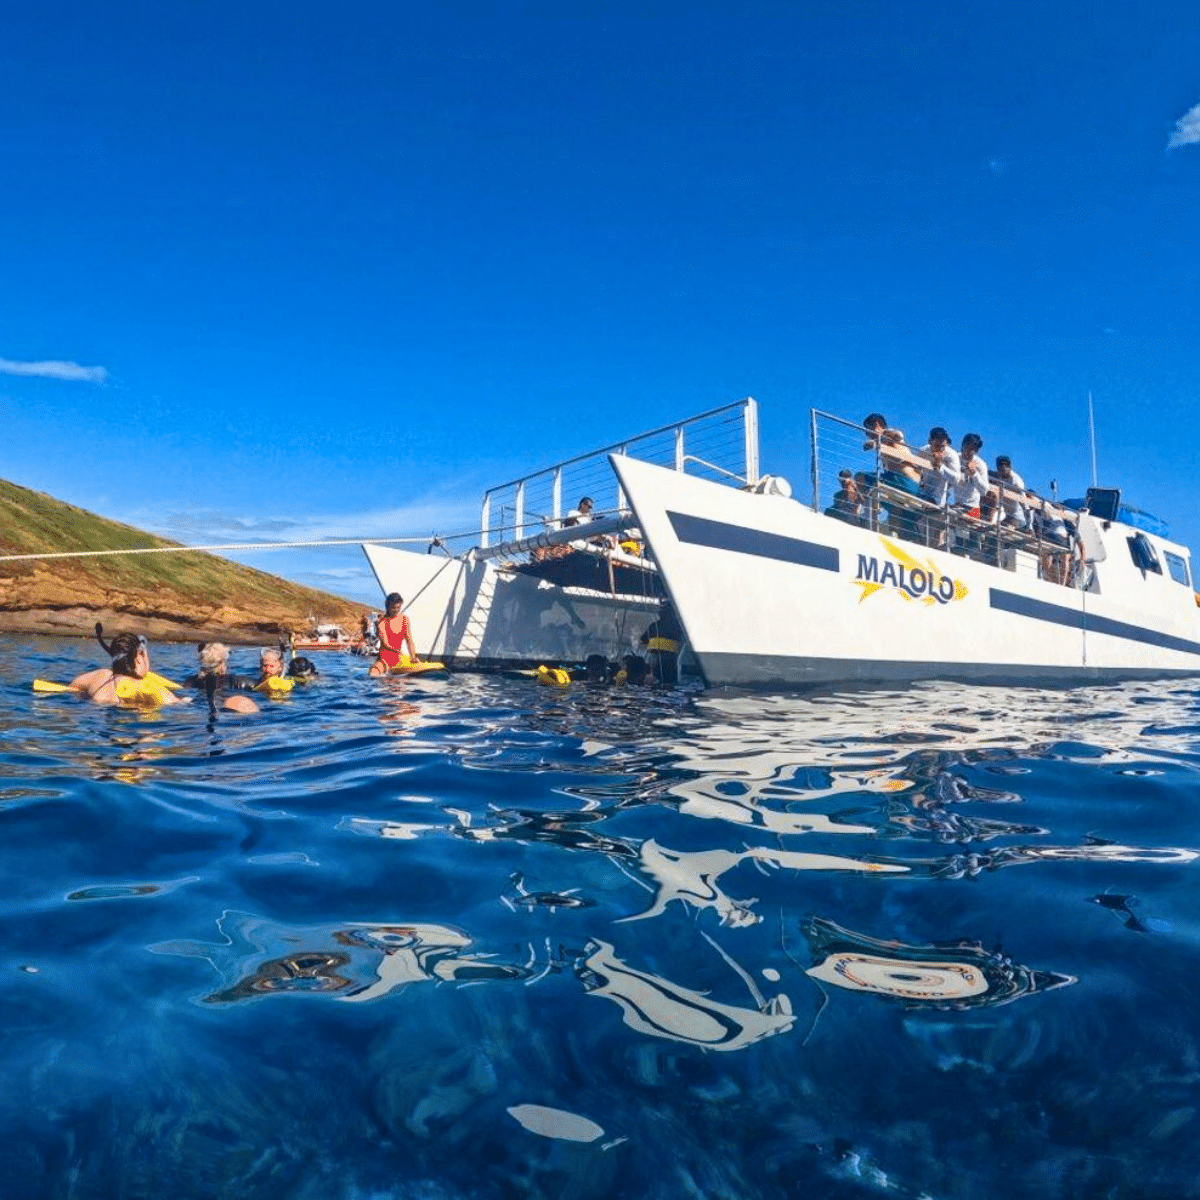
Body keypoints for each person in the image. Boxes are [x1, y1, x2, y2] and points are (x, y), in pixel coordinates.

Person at [69, 629, 188, 707]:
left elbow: (72, 688)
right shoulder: (154, 688)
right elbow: (181, 704)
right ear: (139, 659)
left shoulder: (100, 676)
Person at [183, 642, 259, 712]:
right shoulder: (241, 682)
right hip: (226, 708)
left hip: (198, 707)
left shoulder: (190, 682)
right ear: (222, 663)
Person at [862, 413, 921, 492]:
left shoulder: (888, 434)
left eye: (868, 430)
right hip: (899, 480)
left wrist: (875, 442)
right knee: (871, 485)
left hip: (907, 481)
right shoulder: (882, 446)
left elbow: (896, 435)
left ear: (877, 425)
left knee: (861, 477)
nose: (867, 434)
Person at [370, 592, 421, 676]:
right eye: (393, 608)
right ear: (388, 606)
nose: (396, 610)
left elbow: (409, 641)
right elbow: (386, 644)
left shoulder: (405, 619)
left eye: (398, 607)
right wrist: (399, 652)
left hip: (398, 660)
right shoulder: (382, 622)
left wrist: (413, 657)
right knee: (373, 673)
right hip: (384, 660)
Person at [955, 433, 988, 518]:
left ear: (976, 450)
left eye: (973, 448)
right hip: (957, 505)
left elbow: (984, 491)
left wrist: (974, 474)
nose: (969, 449)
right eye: (967, 445)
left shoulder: (981, 465)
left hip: (973, 508)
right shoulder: (955, 458)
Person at [992, 456, 1029, 530]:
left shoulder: (1016, 480)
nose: (1003, 468)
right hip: (1005, 515)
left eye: (1006, 465)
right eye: (1000, 465)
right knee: (993, 526)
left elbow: (1024, 503)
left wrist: (1029, 525)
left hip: (1017, 517)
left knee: (997, 528)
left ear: (1010, 467)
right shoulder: (996, 476)